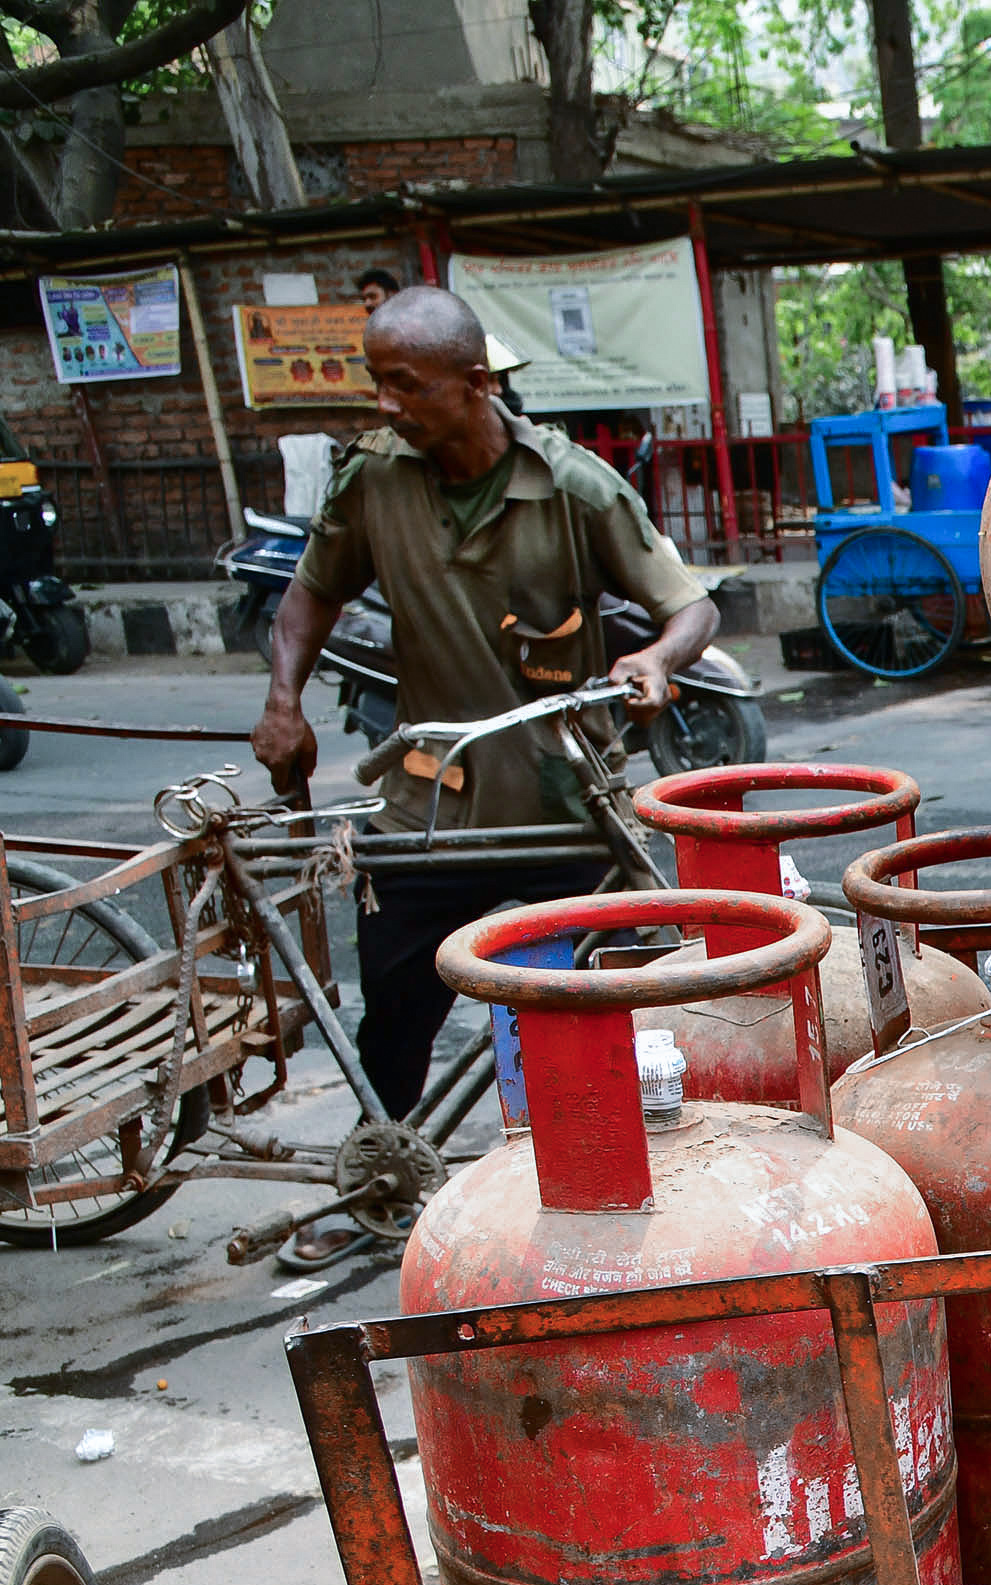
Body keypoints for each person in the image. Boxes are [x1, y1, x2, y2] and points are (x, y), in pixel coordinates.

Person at [247, 287, 714, 1255]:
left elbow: (690, 608)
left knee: (623, 994)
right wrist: (283, 700)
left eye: (404, 384)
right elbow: (308, 597)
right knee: (395, 1009)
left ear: (473, 383)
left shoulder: (573, 486)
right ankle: (377, 1178)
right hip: (431, 801)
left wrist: (654, 659)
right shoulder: (374, 479)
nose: (385, 404)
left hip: (564, 799)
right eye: (377, 382)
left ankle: (635, 1177)